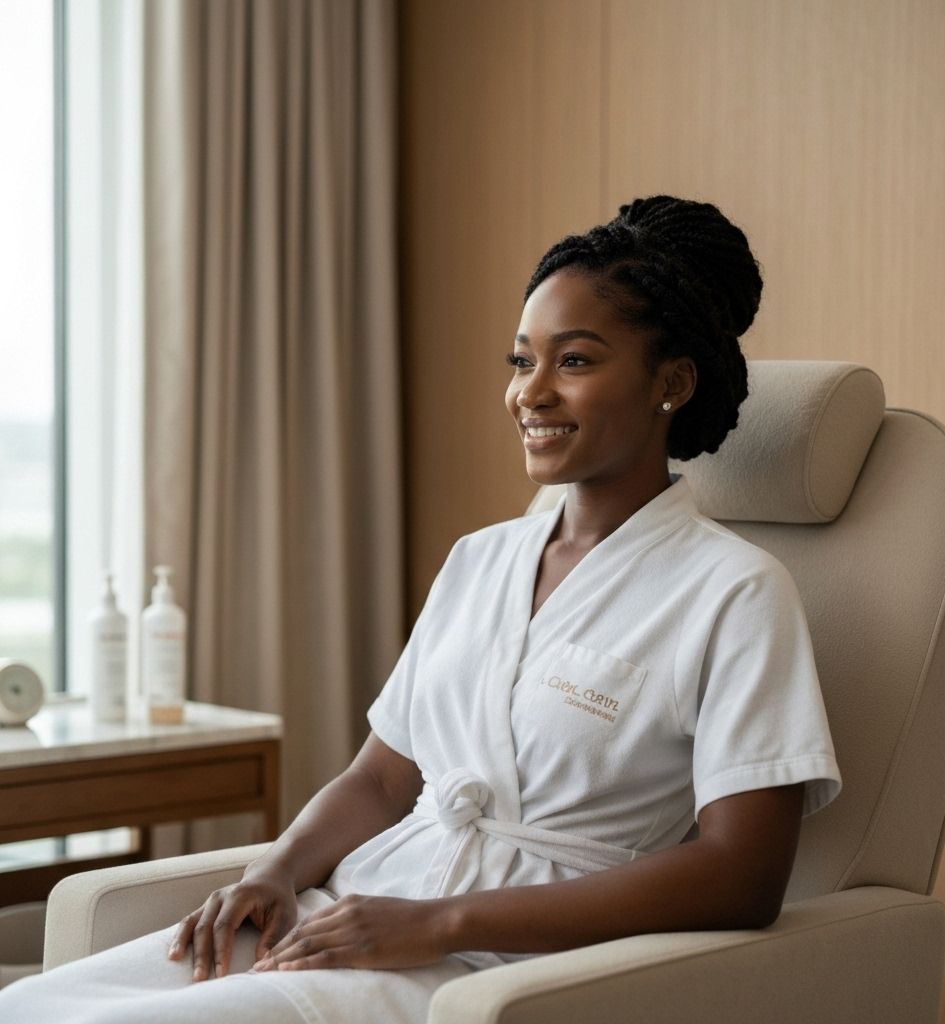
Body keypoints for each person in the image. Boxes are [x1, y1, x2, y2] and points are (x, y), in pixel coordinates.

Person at [0, 196, 840, 1023]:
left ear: (673, 382)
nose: (531, 394)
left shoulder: (733, 592)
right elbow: (382, 776)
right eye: (521, 362)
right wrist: (279, 871)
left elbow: (742, 876)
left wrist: (438, 923)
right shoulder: (480, 561)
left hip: (494, 964)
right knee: (34, 1004)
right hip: (359, 909)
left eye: (575, 362)